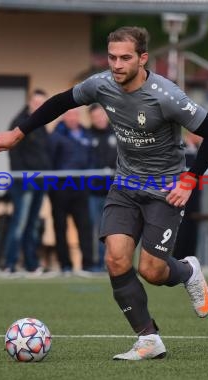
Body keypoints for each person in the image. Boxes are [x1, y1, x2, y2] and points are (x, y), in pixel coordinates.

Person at [0, 26, 208, 360]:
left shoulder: (166, 96)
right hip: (125, 185)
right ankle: (148, 339)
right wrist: (18, 133)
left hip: (166, 189)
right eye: (112, 57)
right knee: (115, 259)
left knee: (152, 271)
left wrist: (190, 180)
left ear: (142, 59)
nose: (117, 64)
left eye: (125, 57)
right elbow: (60, 102)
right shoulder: (101, 85)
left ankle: (187, 271)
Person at [3, 89, 51, 274]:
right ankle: (10, 264)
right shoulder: (19, 123)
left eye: (42, 103)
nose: (39, 106)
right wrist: (24, 179)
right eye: (36, 102)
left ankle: (31, 264)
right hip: (25, 183)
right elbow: (14, 154)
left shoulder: (41, 123)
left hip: (40, 181)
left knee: (33, 225)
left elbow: (44, 154)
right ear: (29, 102)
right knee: (20, 224)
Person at [47, 107, 95, 275]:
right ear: (64, 117)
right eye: (69, 115)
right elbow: (50, 162)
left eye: (76, 115)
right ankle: (65, 265)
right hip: (60, 189)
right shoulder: (55, 136)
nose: (73, 118)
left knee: (85, 226)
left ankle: (87, 265)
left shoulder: (86, 134)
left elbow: (91, 158)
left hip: (81, 188)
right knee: (60, 227)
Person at [88, 103, 117, 271]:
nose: (99, 119)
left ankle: (115, 263)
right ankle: (98, 263)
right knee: (97, 229)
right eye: (95, 117)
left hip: (114, 191)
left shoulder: (117, 133)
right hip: (93, 191)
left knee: (114, 230)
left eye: (101, 115)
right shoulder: (86, 135)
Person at [172, 131, 202, 260]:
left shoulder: (198, 150)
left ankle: (191, 259)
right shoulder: (180, 147)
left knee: (192, 229)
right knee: (181, 229)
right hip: (182, 195)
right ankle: (177, 258)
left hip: (195, 197)